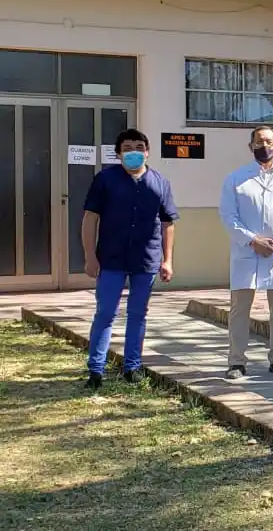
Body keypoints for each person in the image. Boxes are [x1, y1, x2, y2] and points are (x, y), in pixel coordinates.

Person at [81, 129, 179, 390]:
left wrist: (167, 260)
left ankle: (132, 367)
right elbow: (90, 218)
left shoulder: (160, 182)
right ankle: (96, 370)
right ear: (118, 153)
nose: (133, 152)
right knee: (105, 314)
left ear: (147, 151)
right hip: (111, 259)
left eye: (139, 147)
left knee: (138, 314)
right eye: (127, 148)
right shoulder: (105, 179)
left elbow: (168, 222)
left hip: (145, 259)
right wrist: (90, 256)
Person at [219, 126, 273, 379]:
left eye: (269, 141)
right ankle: (236, 361)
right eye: (259, 142)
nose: (264, 146)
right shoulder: (236, 179)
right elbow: (228, 216)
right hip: (245, 252)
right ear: (251, 146)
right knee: (240, 309)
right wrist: (252, 240)